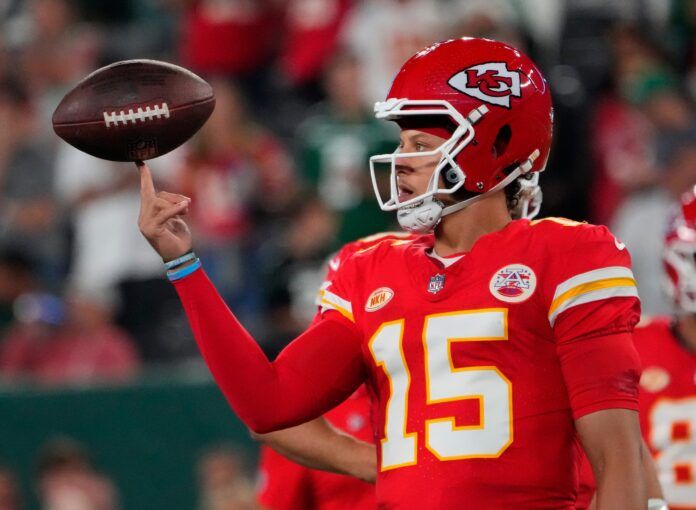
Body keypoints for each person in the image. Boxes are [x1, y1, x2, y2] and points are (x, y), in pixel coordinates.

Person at [138, 38, 646, 508]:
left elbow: (618, 460)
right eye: (402, 141)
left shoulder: (569, 254)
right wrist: (183, 264)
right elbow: (268, 405)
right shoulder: (367, 267)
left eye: (421, 142)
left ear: (497, 144)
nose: (401, 160)